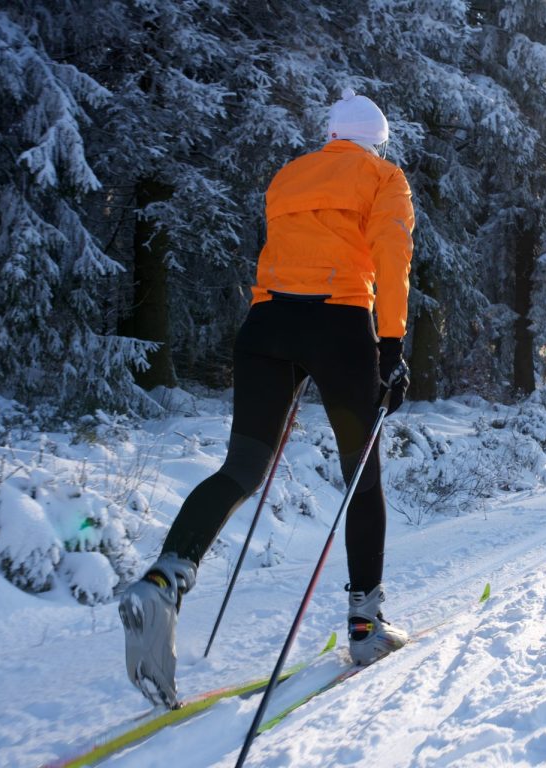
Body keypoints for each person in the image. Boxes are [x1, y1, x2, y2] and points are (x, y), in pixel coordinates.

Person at [118, 88, 415, 708]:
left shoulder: (289, 174)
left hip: (266, 326)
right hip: (339, 325)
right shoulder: (384, 178)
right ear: (375, 140)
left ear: (332, 134)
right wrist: (391, 345)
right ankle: (366, 627)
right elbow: (391, 256)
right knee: (363, 474)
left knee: (242, 467)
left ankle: (165, 577)